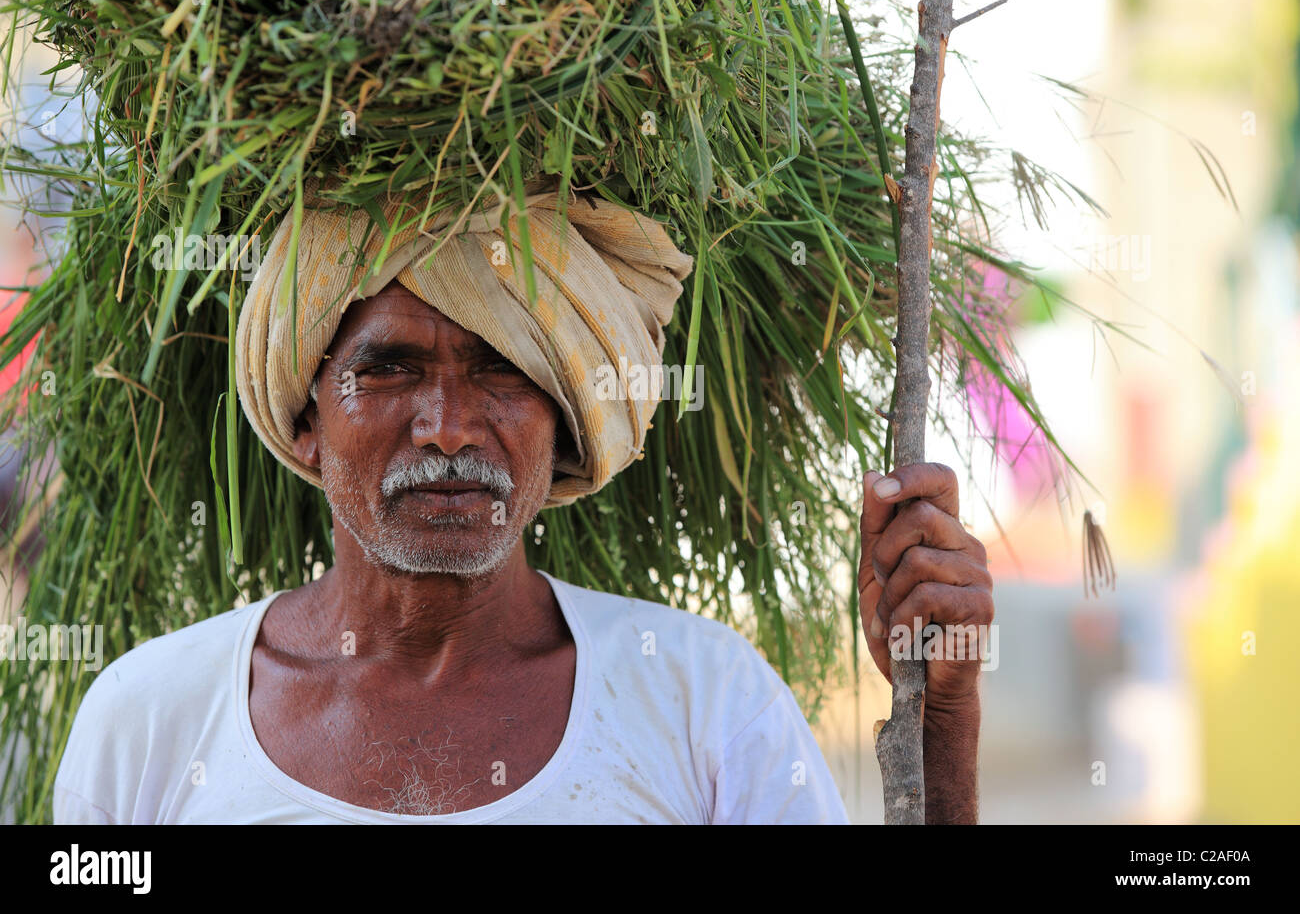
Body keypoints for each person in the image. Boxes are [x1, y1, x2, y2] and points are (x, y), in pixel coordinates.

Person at [52, 180, 992, 824]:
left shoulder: (706, 700)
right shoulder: (148, 718)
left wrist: (943, 725)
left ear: (569, 418)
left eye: (501, 371)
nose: (449, 425)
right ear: (304, 418)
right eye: (388, 369)